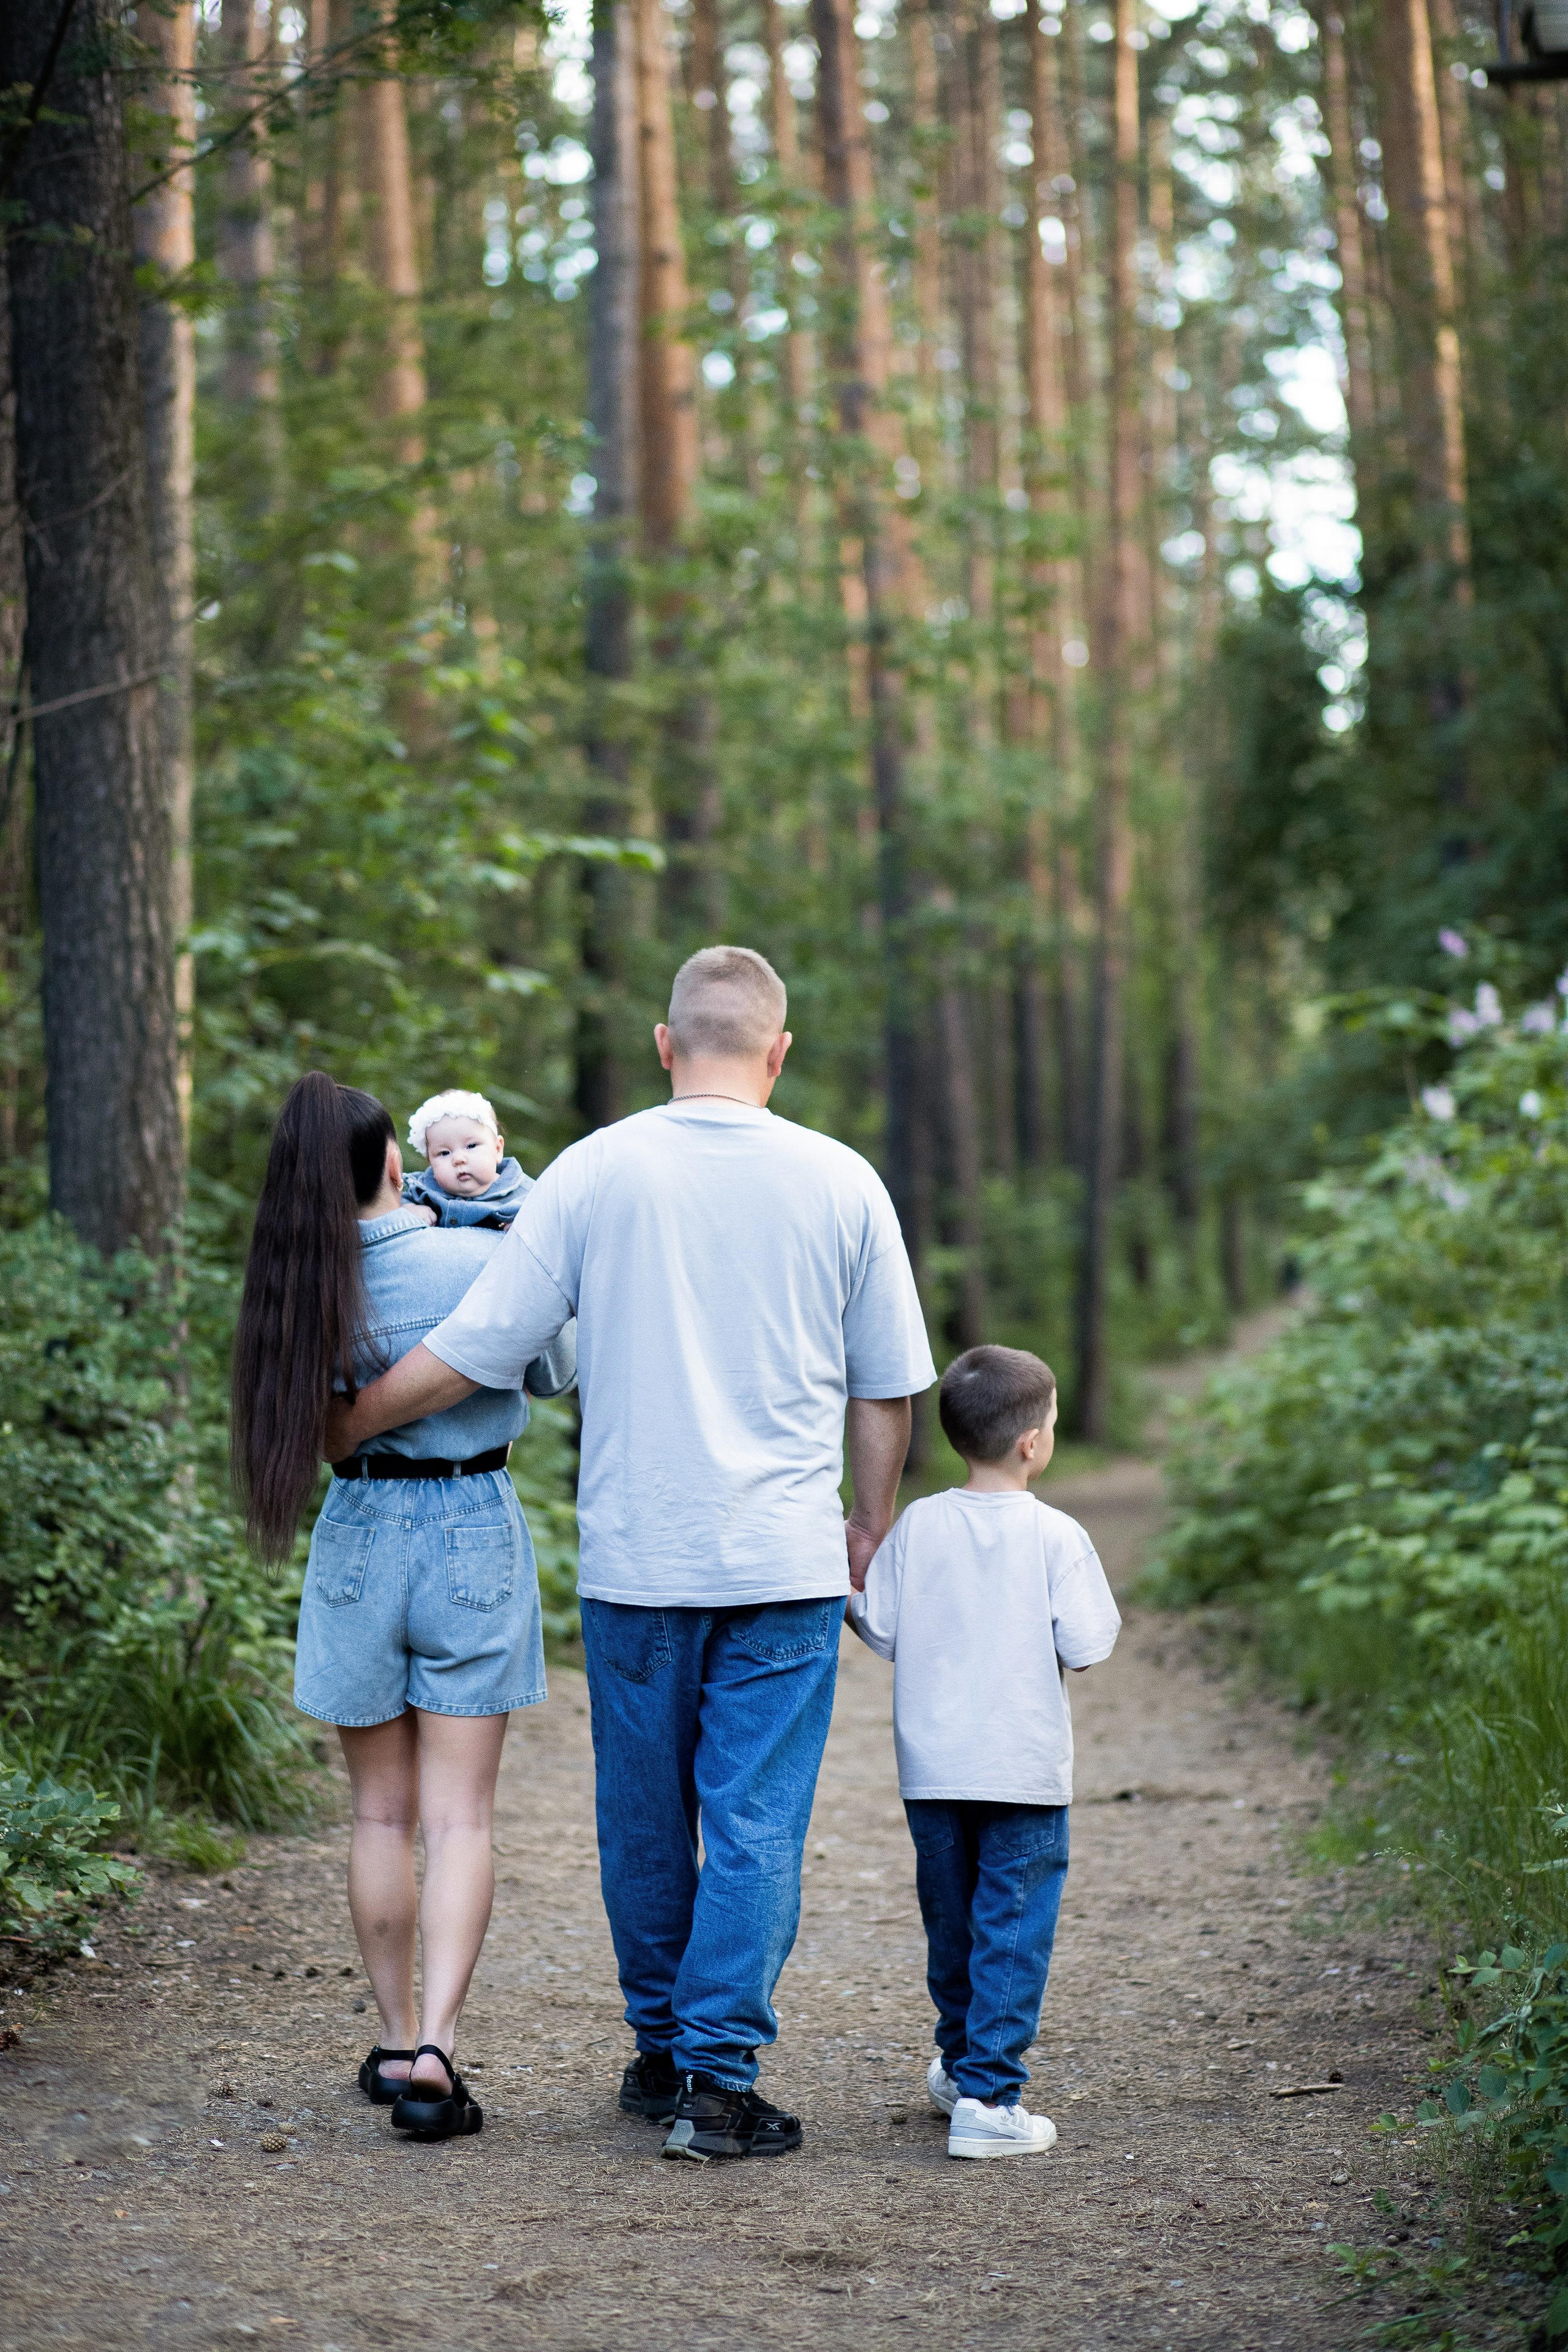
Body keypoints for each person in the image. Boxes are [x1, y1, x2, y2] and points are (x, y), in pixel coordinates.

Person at [323, 946, 937, 2163]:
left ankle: (662, 2054)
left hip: (632, 1564)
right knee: (754, 1821)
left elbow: (479, 1345)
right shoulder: (842, 1180)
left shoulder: (593, 1172)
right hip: (780, 1562)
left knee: (643, 1821)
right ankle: (714, 2081)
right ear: (777, 1051)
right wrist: (866, 1526)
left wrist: (346, 1422)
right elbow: (886, 1391)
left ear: (666, 1046)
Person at [231, 1072, 576, 2144]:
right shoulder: (482, 1260)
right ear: (398, 1160)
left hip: (357, 1540)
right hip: (471, 1522)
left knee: (379, 1815)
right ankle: (439, 2047)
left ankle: (389, 2042)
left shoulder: (297, 1294)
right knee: (459, 1816)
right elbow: (557, 1368)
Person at [847, 1343, 1120, 2160]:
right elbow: (1088, 1641)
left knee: (955, 1924)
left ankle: (961, 2064)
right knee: (1011, 1928)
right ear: (1032, 1443)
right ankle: (992, 2099)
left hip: (933, 1773)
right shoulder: (1057, 1536)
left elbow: (883, 1629)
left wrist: (851, 1581)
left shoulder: (922, 1523)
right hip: (1024, 1772)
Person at [401, 1088, 531, 1231]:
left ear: (498, 1150)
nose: (458, 1159)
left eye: (471, 1146)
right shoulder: (423, 1191)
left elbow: (550, 1222)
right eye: (444, 1153)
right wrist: (409, 1209)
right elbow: (389, 1206)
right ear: (431, 1163)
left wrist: (525, 1227)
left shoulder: (524, 1196)